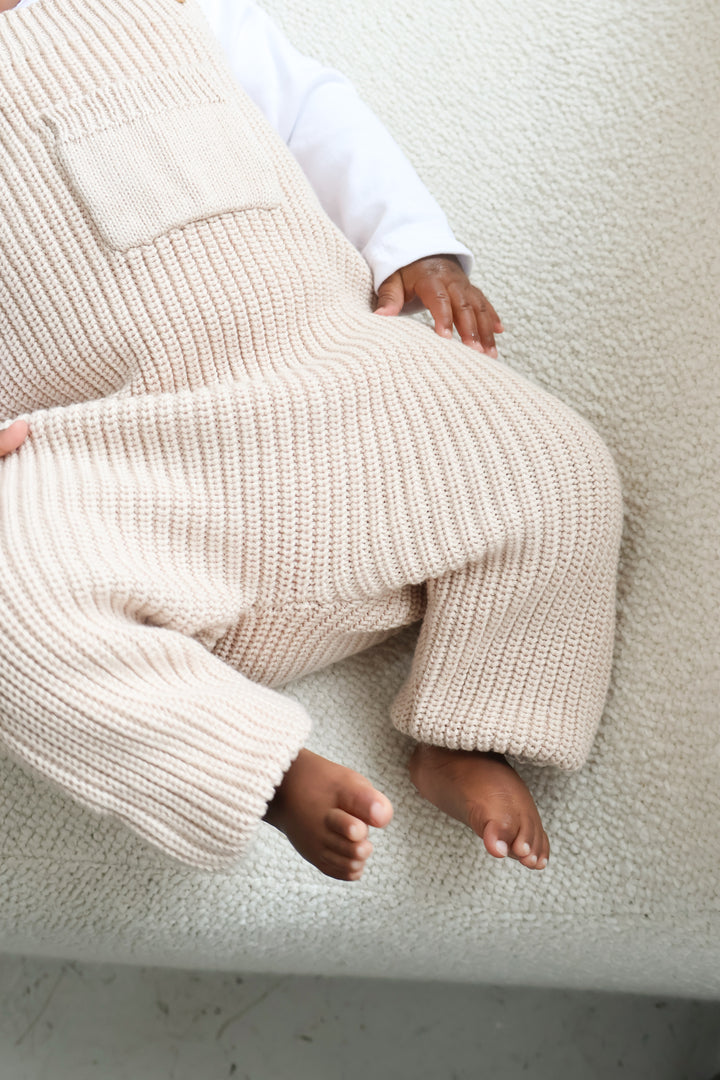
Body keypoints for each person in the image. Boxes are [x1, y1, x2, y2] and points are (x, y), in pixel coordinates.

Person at [0, 0, 623, 882]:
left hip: (333, 377)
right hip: (118, 459)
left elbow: (314, 116)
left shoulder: (179, 13)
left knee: (557, 467)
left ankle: (470, 729)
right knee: (9, 599)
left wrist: (414, 245)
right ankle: (258, 770)